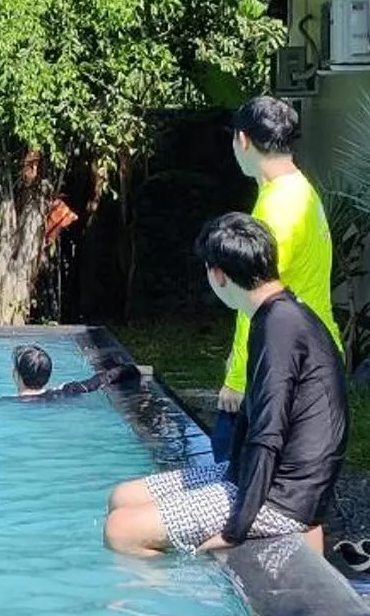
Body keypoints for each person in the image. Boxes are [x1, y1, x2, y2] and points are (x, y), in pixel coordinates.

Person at [103, 213, 348, 558]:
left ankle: (188, 597)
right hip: (254, 476)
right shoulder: (279, 314)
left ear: (218, 274)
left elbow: (268, 433)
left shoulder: (279, 328)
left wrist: (235, 530)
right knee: (122, 497)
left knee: (120, 531)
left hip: (279, 498)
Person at [210, 95, 340, 463]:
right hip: (312, 351)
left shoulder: (276, 210)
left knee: (237, 477)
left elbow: (253, 297)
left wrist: (236, 379)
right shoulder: (300, 191)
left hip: (284, 360)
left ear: (244, 140)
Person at [3, 344, 141, 402]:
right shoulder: (66, 391)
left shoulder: (6, 404)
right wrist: (134, 369)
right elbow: (104, 378)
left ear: (15, 374)